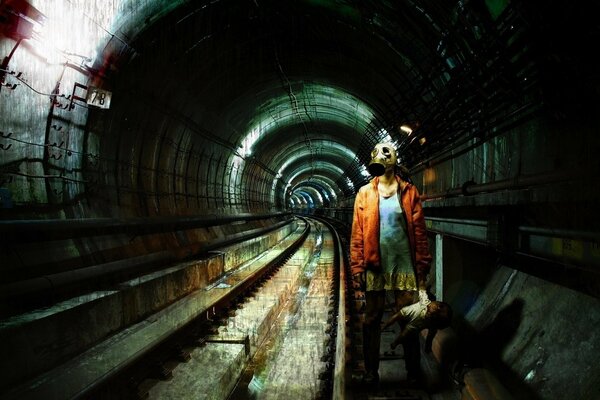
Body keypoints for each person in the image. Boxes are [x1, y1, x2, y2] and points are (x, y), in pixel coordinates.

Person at [350, 142, 432, 385]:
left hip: (404, 265)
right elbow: (357, 234)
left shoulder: (408, 192)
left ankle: (414, 372)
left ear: (395, 159)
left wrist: (422, 268)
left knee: (409, 318)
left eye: (386, 152)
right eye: (377, 153)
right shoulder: (364, 193)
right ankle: (370, 372)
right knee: (372, 318)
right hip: (376, 266)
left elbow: (419, 233)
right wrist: (357, 267)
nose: (381, 156)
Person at [381, 299, 453, 351]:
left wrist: (428, 345)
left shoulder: (432, 323)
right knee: (397, 318)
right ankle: (385, 328)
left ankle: (395, 342)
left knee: (404, 333)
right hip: (411, 313)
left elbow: (431, 335)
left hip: (415, 324)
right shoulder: (426, 302)